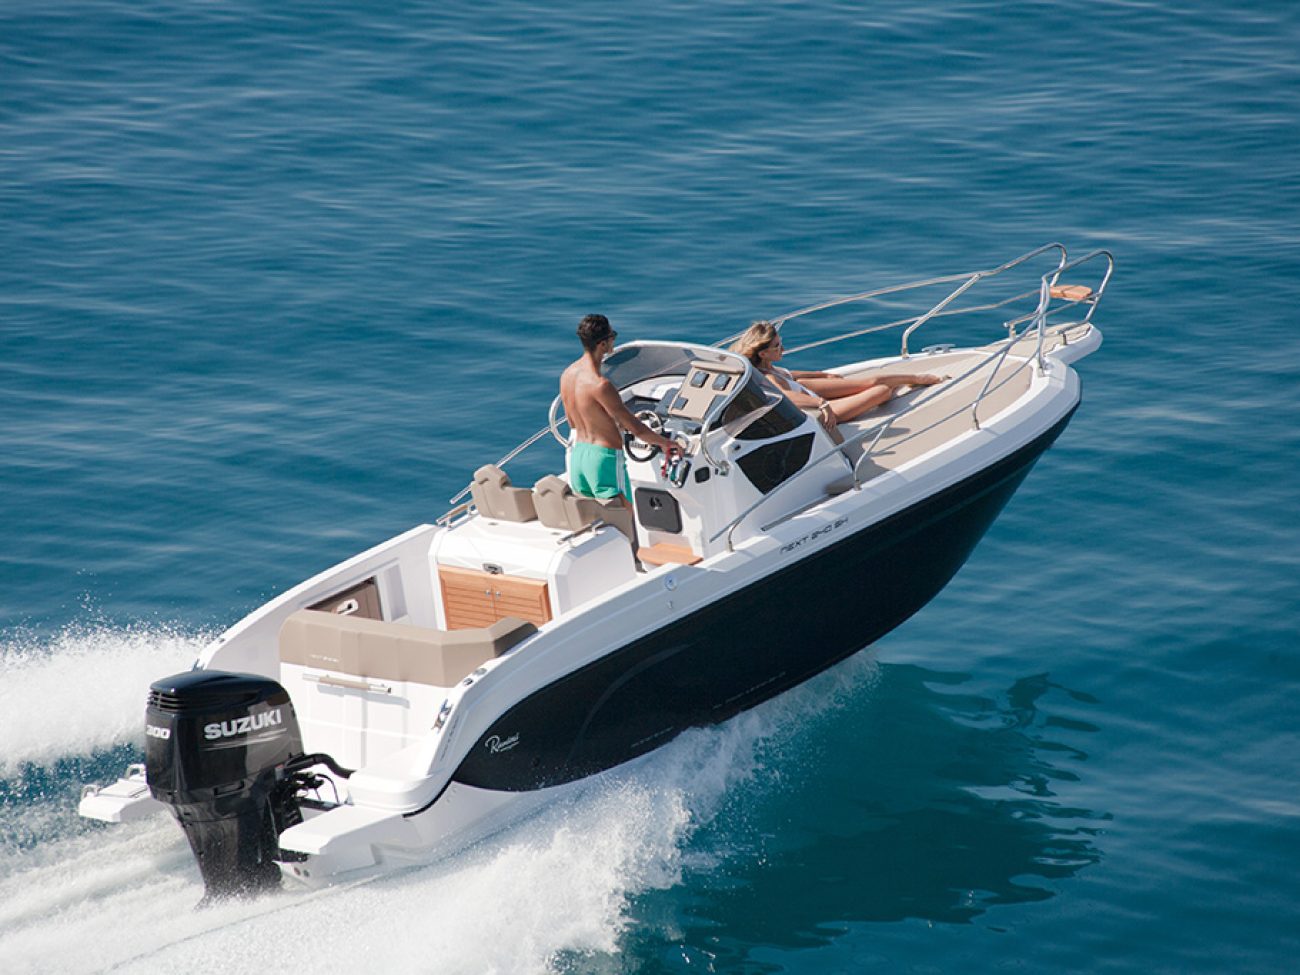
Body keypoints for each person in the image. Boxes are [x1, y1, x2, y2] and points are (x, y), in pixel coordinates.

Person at [731, 321, 944, 429]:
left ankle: (917, 379)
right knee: (881, 391)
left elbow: (791, 375)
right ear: (763, 353)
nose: (783, 349)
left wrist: (822, 375)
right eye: (778, 346)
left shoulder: (768, 367)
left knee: (870, 381)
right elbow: (788, 396)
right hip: (818, 411)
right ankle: (912, 381)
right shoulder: (768, 377)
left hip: (807, 392)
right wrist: (821, 403)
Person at [560, 314, 680, 501]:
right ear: (602, 344)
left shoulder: (567, 375)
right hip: (603, 459)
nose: (614, 341)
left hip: (578, 455)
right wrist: (667, 444)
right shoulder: (601, 385)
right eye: (612, 336)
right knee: (623, 515)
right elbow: (637, 429)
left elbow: (573, 421)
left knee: (593, 516)